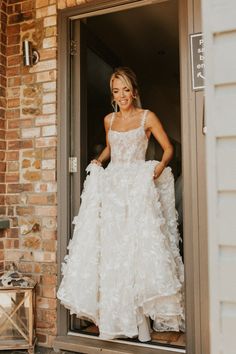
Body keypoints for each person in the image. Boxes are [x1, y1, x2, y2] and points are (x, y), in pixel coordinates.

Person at [57, 67, 185, 342]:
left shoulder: (147, 117)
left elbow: (168, 149)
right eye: (116, 90)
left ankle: (140, 325)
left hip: (137, 187)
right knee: (114, 253)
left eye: (126, 89)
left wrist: (159, 167)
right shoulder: (109, 120)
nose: (122, 95)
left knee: (136, 250)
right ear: (112, 94)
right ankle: (113, 322)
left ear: (134, 91)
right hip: (113, 188)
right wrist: (99, 160)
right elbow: (111, 148)